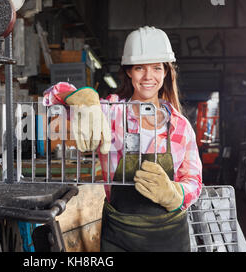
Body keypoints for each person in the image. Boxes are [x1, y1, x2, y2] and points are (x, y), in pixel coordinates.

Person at [43, 26, 202, 252]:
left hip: (170, 235)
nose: (149, 77)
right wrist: (78, 97)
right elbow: (51, 97)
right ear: (128, 71)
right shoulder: (109, 113)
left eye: (157, 68)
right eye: (140, 68)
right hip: (120, 235)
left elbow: (194, 182)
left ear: (166, 72)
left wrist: (175, 195)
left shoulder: (180, 126)